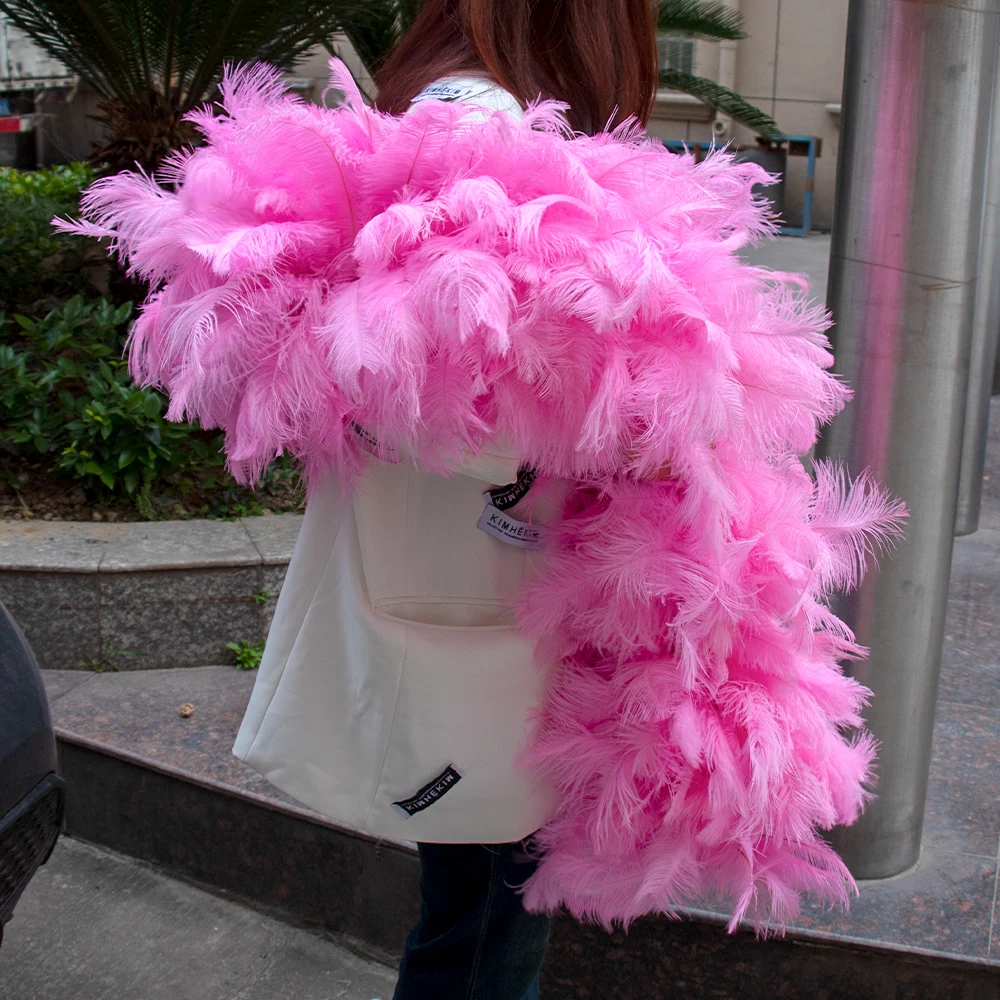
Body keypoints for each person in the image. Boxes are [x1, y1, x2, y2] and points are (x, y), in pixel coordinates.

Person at [235, 3, 658, 998]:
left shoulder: (462, 108)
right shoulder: (477, 119)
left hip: (475, 605)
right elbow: (444, 403)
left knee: (472, 912)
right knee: (485, 934)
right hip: (487, 617)